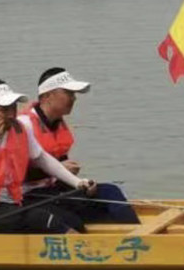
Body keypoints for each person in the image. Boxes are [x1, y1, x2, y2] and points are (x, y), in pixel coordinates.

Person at [0, 85, 92, 233]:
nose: (10, 115)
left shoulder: (20, 129)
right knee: (40, 218)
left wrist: (77, 182)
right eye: (3, 110)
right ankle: (80, 248)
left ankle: (78, 243)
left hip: (13, 203)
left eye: (13, 108)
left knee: (69, 219)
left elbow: (42, 158)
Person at [19, 68, 139, 224]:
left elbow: (62, 168)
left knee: (111, 191)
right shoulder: (23, 125)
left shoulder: (59, 124)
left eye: (73, 94)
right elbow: (14, 175)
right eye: (69, 93)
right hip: (30, 196)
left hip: (54, 190)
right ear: (48, 96)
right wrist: (59, 170)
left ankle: (138, 237)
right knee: (74, 220)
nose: (74, 98)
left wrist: (82, 184)